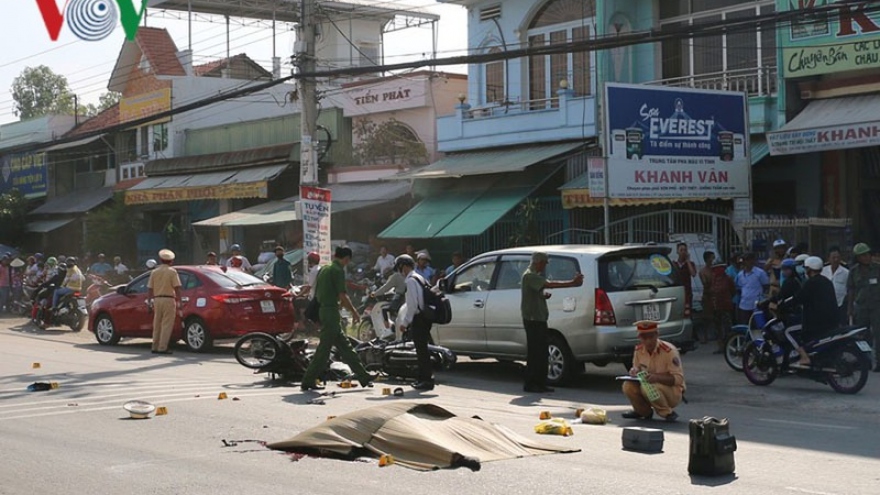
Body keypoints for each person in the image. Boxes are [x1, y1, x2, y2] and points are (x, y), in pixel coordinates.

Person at [300, 246, 373, 391]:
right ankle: (308, 380)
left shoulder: (325, 269)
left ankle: (364, 376)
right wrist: (354, 312)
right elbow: (342, 295)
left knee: (345, 347)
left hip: (325, 311)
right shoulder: (337, 270)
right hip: (330, 312)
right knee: (323, 350)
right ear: (346, 259)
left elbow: (320, 293)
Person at [520, 252, 584, 394]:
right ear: (538, 262)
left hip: (539, 317)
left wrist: (543, 295)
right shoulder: (529, 275)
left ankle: (540, 382)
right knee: (535, 353)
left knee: (543, 352)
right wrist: (572, 283)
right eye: (544, 263)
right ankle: (531, 383)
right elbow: (549, 284)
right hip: (533, 319)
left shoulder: (533, 275)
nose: (544, 267)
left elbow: (538, 291)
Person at [622, 320, 686, 422]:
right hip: (649, 386)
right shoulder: (638, 350)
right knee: (627, 385)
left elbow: (678, 379)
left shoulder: (669, 351)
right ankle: (643, 411)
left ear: (657, 335)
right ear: (639, 337)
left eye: (651, 337)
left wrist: (657, 377)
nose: (648, 341)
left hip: (672, 392)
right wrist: (634, 371)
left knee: (647, 387)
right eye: (644, 338)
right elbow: (637, 368)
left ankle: (667, 412)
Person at [780, 256, 838, 367]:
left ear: (809, 269)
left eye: (806, 268)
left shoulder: (810, 283)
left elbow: (798, 298)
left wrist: (784, 305)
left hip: (815, 322)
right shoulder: (826, 281)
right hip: (831, 321)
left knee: (788, 331)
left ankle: (804, 356)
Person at [396, 254, 437, 391]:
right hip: (425, 317)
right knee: (422, 349)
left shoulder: (411, 281)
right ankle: (423, 378)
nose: (400, 271)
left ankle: (426, 380)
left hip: (419, 318)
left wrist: (405, 323)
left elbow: (412, 305)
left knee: (421, 350)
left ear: (404, 266)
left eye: (400, 267)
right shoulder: (419, 277)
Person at [847, 242, 880, 371]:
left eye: (867, 254)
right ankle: (864, 361)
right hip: (861, 307)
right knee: (862, 335)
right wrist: (849, 308)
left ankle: (879, 362)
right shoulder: (854, 271)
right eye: (862, 255)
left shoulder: (877, 268)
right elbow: (850, 290)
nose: (866, 257)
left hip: (877, 306)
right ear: (858, 258)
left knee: (878, 334)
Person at [698, 251, 735, 353]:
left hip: (725, 305)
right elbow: (708, 288)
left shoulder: (727, 279)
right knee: (717, 326)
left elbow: (732, 290)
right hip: (715, 306)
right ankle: (721, 346)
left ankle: (729, 345)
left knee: (727, 327)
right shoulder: (711, 278)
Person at [147, 249, 181, 355]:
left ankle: (154, 346)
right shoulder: (172, 271)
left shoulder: (154, 271)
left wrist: (149, 302)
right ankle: (163, 347)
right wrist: (180, 301)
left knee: (157, 323)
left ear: (160, 260)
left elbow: (150, 289)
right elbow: (177, 287)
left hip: (157, 299)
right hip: (169, 299)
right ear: (171, 261)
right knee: (166, 324)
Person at [735, 252, 770, 324]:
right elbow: (739, 287)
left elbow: (766, 286)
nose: (746, 262)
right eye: (745, 260)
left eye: (748, 260)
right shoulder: (740, 275)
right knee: (745, 326)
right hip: (744, 305)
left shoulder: (760, 273)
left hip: (757, 306)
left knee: (758, 326)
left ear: (753, 261)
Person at [821, 246, 849, 327]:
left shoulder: (846, 272)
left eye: (838, 257)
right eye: (833, 257)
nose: (836, 260)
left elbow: (849, 289)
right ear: (829, 258)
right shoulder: (823, 271)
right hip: (825, 305)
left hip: (840, 305)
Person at [673, 243, 696, 312]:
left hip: (687, 292)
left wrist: (688, 261)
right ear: (677, 251)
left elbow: (693, 274)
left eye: (685, 250)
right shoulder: (674, 264)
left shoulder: (690, 264)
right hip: (677, 292)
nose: (683, 252)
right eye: (681, 250)